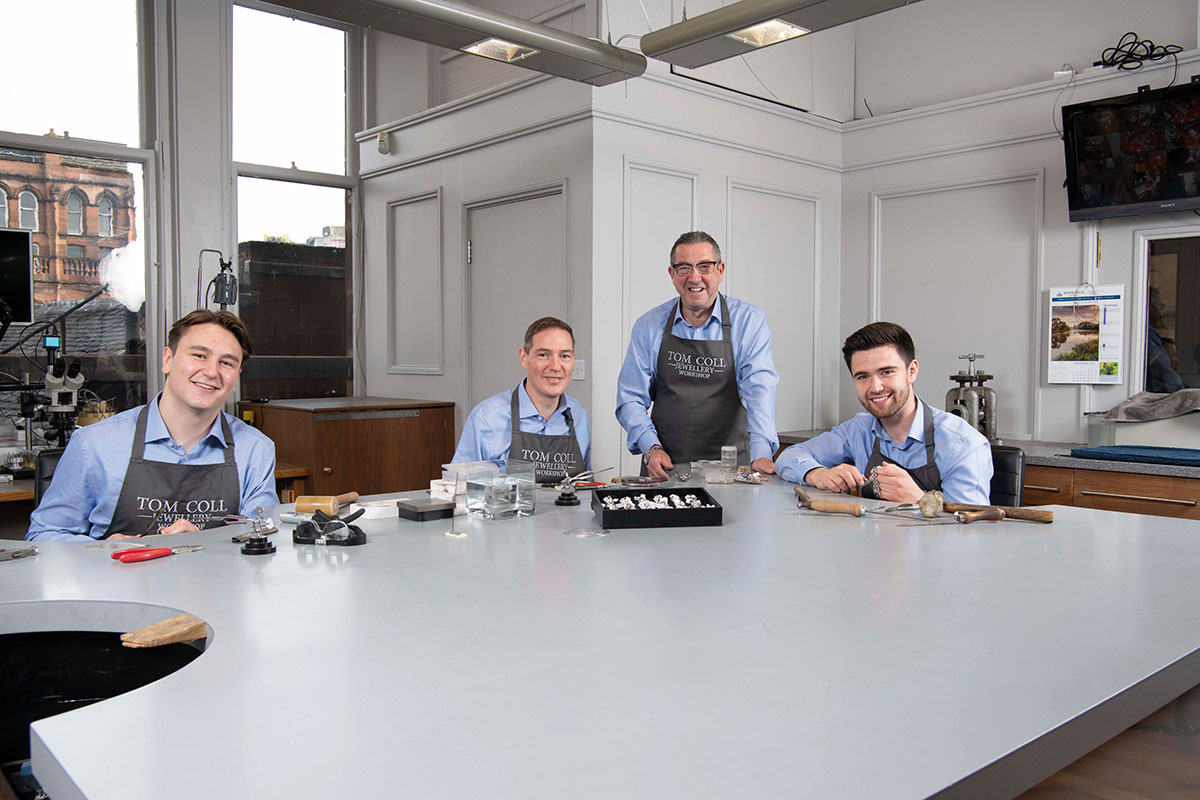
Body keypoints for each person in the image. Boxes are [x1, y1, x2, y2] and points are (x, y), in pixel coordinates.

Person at [27, 310, 277, 542]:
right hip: (116, 588)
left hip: (217, 588)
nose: (211, 371)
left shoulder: (255, 450)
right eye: (199, 355)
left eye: (227, 363)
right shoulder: (95, 444)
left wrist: (207, 541)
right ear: (167, 359)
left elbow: (264, 534)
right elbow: (44, 535)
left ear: (236, 378)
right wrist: (101, 551)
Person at [616, 231, 778, 480]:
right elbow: (630, 399)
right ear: (672, 274)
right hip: (666, 468)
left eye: (704, 266)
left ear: (720, 271)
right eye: (684, 268)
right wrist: (651, 447)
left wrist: (761, 454)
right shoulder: (648, 326)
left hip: (734, 469)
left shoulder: (749, 322)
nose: (694, 277)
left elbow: (760, 392)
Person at [775, 321, 992, 505]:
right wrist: (819, 474)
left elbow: (970, 531)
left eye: (886, 372)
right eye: (862, 377)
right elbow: (788, 457)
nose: (876, 387)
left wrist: (919, 500)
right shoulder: (857, 430)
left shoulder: (963, 445)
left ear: (912, 371)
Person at [452, 316, 590, 483]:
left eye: (565, 356)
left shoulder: (579, 416)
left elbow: (586, 488)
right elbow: (458, 489)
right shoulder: (486, 419)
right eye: (544, 355)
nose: (555, 366)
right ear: (523, 358)